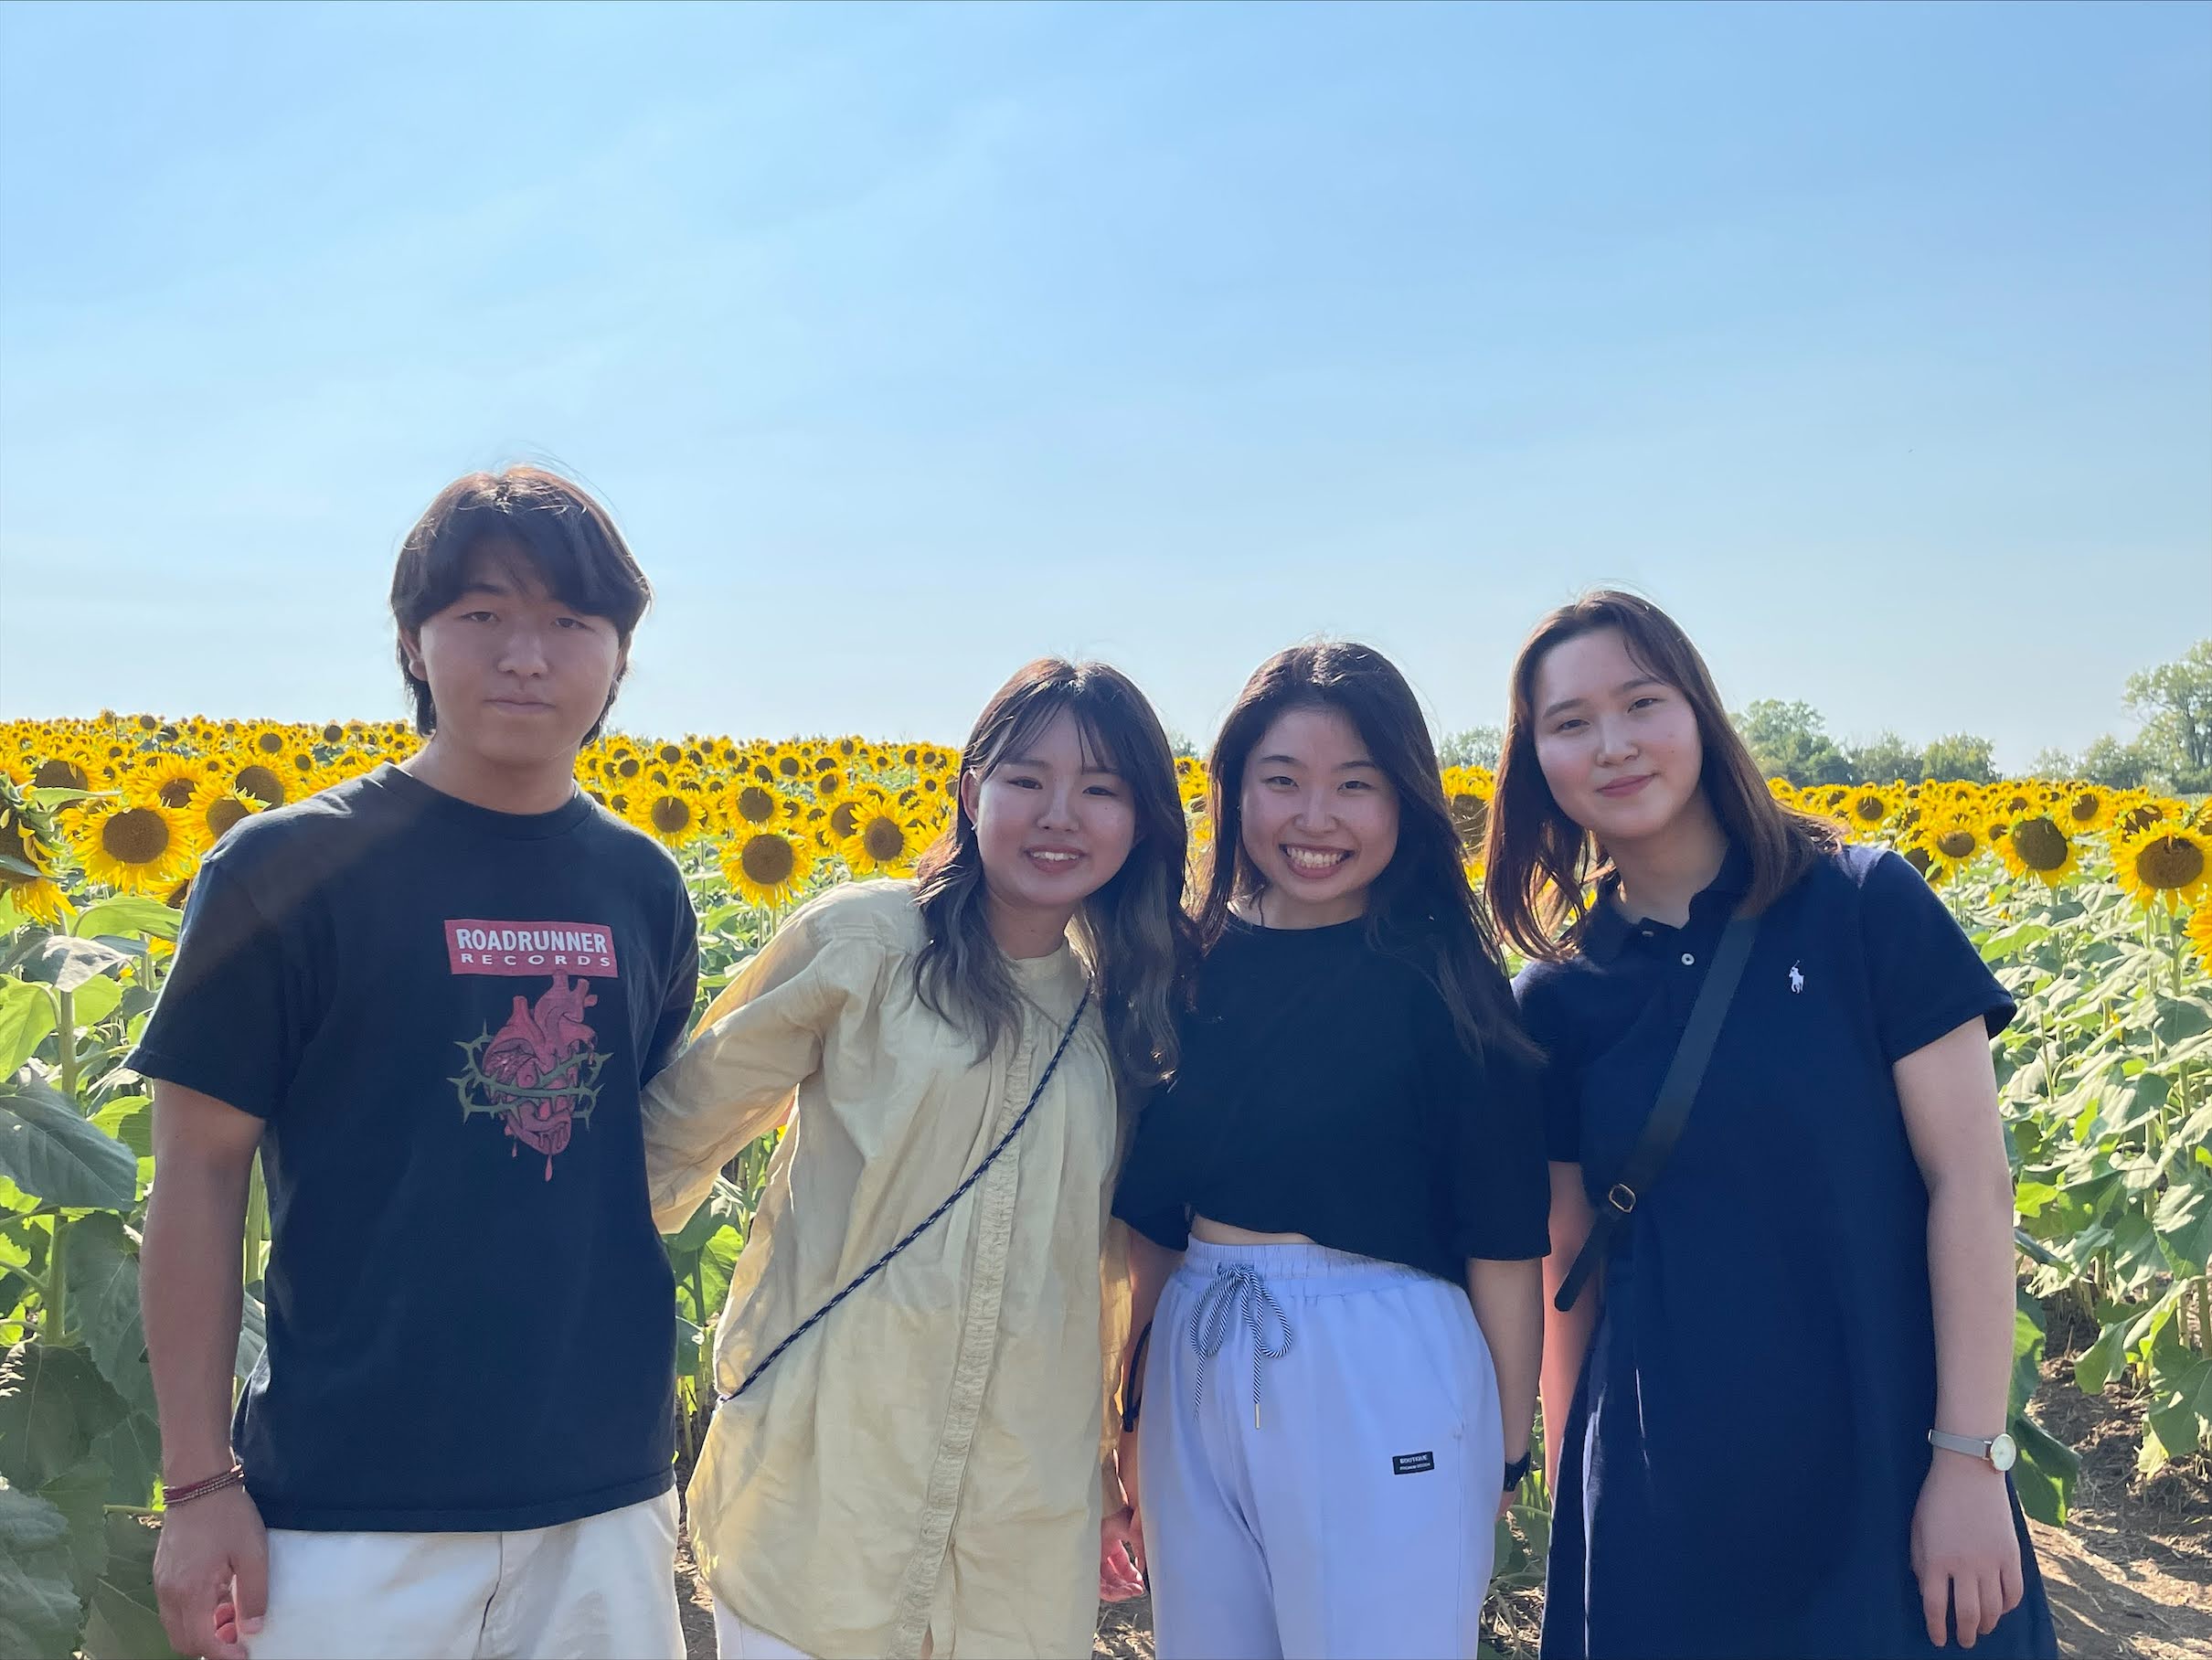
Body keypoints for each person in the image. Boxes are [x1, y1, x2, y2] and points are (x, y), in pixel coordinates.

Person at [136, 467, 699, 1660]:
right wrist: (196, 1486)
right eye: (483, 614)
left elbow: (630, 1143)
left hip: (603, 1492)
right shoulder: (284, 870)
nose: (526, 656)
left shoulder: (645, 886)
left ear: (618, 654)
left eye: (569, 622)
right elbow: (194, 1176)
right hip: (350, 1501)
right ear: (412, 639)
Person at [1487, 590, 2055, 1659]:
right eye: (1568, 722)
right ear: (1537, 763)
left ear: (1697, 712)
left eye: (1639, 702)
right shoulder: (1556, 994)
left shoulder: (1859, 903)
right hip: (1665, 1478)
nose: (1611, 744)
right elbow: (1572, 1261)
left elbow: (1970, 1186)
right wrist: (1574, 1496)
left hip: (1882, 1446)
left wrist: (1970, 1462)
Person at [643, 658, 1192, 1660]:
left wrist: (1122, 1465)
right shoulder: (862, 940)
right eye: (1027, 777)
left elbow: (1110, 1270)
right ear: (972, 789)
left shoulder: (1128, 1012)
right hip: (826, 1475)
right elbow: (665, 1145)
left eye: (1101, 788)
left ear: (1143, 822)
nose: (1058, 813)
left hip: (1021, 1508)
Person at [1110, 642, 1548, 1660]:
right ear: (1231, 793)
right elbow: (1152, 1232)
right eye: (1281, 782)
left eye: (1356, 785)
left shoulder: (1448, 983)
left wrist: (1505, 1449)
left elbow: (1501, 1242)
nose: (1315, 819)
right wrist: (1131, 1409)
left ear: (1405, 801)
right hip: (1195, 1351)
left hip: (1381, 1355)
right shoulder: (1180, 967)